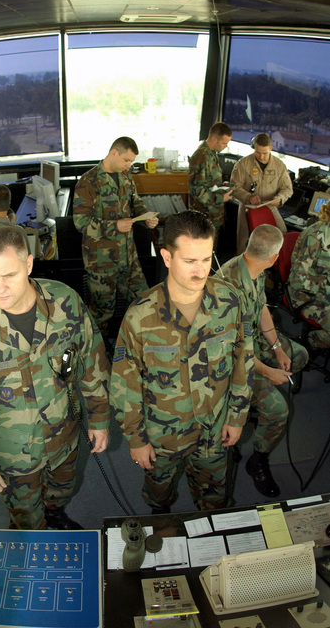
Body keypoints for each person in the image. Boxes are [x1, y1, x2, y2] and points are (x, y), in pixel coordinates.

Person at [0, 225, 111, 530]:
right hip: (13, 456)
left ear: (29, 265)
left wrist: (99, 417)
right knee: (26, 519)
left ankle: (56, 515)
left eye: (9, 275)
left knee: (61, 493)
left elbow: (92, 362)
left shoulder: (65, 303)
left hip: (64, 438)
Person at [110, 210, 254, 512]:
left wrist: (237, 416)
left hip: (213, 431)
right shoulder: (140, 315)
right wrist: (135, 439)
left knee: (215, 503)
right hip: (163, 436)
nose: (200, 271)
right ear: (166, 257)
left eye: (206, 259)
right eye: (189, 261)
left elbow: (244, 360)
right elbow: (125, 384)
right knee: (158, 501)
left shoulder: (230, 301)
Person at [219, 224, 308, 497]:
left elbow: (261, 311)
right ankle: (257, 460)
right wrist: (268, 372)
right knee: (279, 410)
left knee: (299, 355)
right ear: (274, 258)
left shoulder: (252, 267)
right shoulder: (228, 286)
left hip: (250, 344)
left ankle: (248, 416)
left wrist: (279, 348)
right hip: (229, 363)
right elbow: (234, 351)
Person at [73, 136, 159, 344]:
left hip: (128, 258)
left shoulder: (126, 176)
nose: (129, 165)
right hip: (102, 262)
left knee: (146, 302)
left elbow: (135, 202)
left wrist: (145, 217)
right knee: (102, 313)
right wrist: (115, 226)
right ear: (114, 153)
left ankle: (146, 348)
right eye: (126, 160)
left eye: (131, 162)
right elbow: (81, 222)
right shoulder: (88, 182)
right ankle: (98, 355)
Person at [230, 133, 291, 254]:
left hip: (269, 205)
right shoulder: (243, 164)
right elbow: (234, 187)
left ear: (271, 148)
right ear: (254, 148)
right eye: (258, 153)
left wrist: (280, 198)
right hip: (248, 206)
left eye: (265, 153)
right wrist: (248, 197)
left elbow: (287, 189)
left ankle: (275, 266)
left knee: (281, 234)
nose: (262, 157)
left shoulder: (279, 166)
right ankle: (242, 268)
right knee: (245, 241)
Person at [288, 202, 330, 348]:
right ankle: (309, 342)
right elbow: (297, 279)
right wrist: (326, 289)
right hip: (306, 295)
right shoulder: (316, 236)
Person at [188, 122, 234, 249]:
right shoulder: (201, 157)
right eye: (224, 143)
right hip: (204, 215)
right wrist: (220, 198)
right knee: (203, 252)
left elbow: (210, 182)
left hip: (213, 215)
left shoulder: (211, 153)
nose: (225, 146)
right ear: (214, 139)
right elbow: (197, 190)